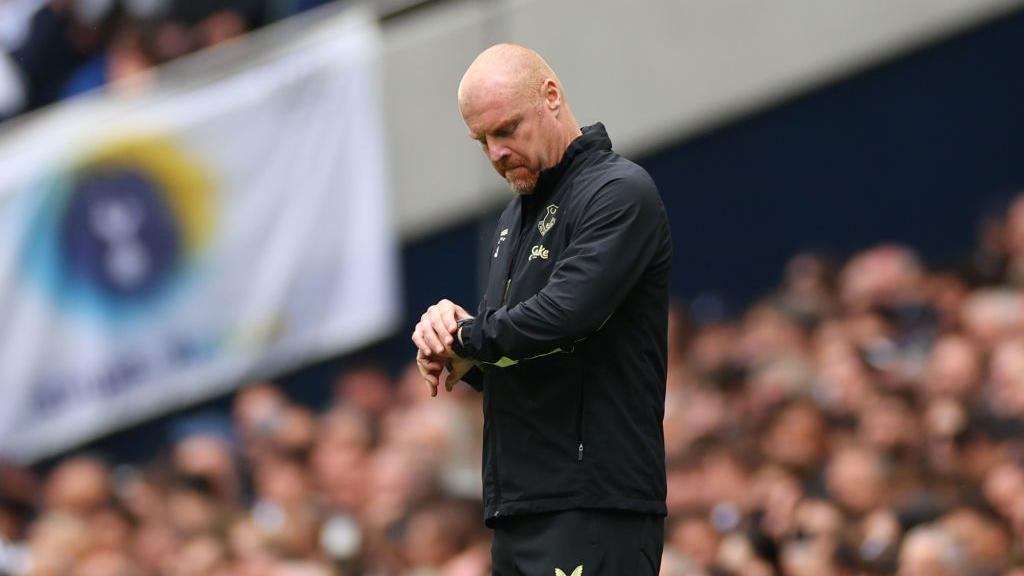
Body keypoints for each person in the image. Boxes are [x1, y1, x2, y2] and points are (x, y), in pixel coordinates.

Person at [411, 43, 672, 574]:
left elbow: (564, 317)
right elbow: (527, 351)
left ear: (550, 96)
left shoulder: (618, 191)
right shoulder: (512, 217)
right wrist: (461, 358)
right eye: (482, 139)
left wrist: (464, 338)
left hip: (593, 503)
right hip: (520, 506)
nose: (496, 153)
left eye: (506, 129)